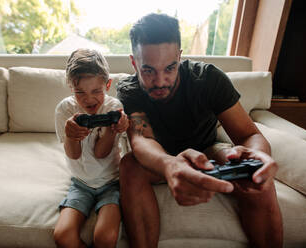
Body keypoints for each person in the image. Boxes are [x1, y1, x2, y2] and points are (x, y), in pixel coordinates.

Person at [117, 13, 283, 248]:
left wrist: (257, 156)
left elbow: (248, 135)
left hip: (207, 149)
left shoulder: (208, 78)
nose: (161, 80)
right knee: (129, 166)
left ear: (180, 57)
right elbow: (142, 140)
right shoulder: (129, 89)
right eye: (148, 71)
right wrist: (169, 164)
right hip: (160, 158)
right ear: (134, 63)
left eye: (170, 68)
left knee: (255, 176)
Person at [53, 48, 129, 248]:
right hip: (80, 183)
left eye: (96, 91)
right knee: (62, 236)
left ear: (108, 84)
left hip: (111, 182)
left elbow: (100, 153)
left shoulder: (114, 108)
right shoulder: (65, 110)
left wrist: (113, 130)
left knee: (105, 238)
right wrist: (71, 136)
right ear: (71, 87)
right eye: (80, 92)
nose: (88, 99)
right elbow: (74, 154)